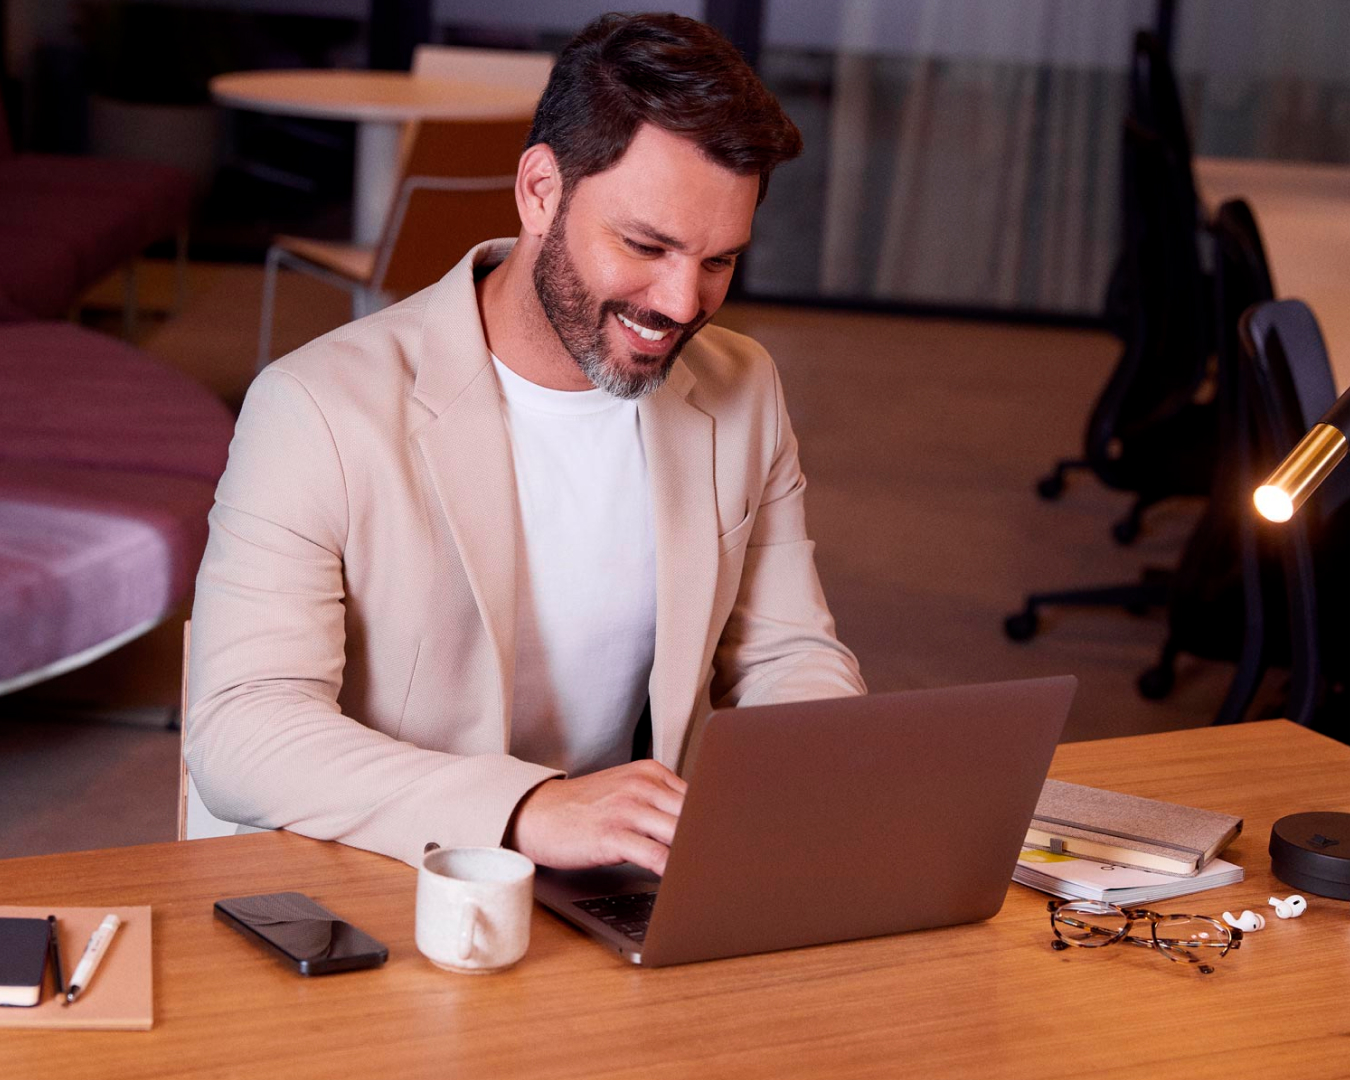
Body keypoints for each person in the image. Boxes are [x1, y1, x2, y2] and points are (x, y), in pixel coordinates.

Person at [187, 12, 865, 873]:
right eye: (645, 245)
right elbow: (242, 727)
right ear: (541, 190)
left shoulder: (743, 388)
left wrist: (828, 785)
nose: (683, 302)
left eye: (719, 261)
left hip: (624, 882)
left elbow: (785, 654)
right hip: (399, 880)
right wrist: (526, 808)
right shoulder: (315, 408)